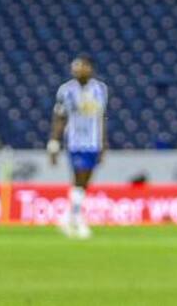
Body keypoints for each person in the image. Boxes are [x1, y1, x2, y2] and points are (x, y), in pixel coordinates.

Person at [47, 55, 108, 239]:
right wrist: (54, 142)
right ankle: (78, 220)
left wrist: (103, 144)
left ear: (90, 68)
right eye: (76, 67)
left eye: (82, 66)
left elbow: (101, 118)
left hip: (93, 141)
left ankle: (69, 218)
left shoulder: (100, 89)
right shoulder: (66, 90)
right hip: (75, 141)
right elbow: (60, 117)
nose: (78, 69)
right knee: (79, 178)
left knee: (84, 182)